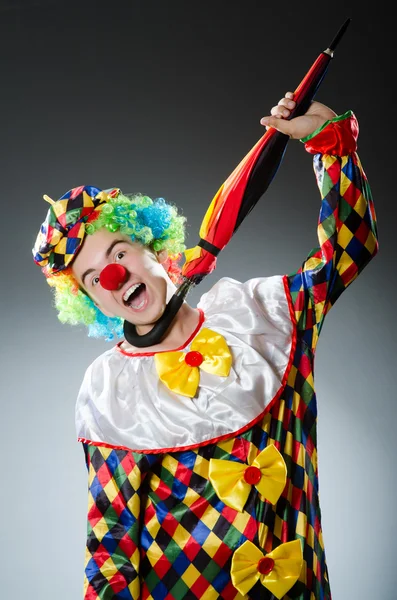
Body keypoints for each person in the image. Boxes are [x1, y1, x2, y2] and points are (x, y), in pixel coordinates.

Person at [33, 93, 378, 600]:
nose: (113, 275)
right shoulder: (109, 389)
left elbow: (352, 245)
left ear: (154, 246)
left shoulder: (262, 315)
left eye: (120, 251)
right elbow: (111, 547)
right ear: (95, 304)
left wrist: (327, 143)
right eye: (92, 279)